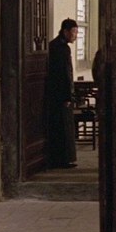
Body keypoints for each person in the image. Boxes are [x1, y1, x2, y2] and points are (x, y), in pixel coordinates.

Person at [44, 18, 79, 169]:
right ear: (65, 32)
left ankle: (61, 159)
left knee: (61, 126)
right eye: (74, 32)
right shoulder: (60, 48)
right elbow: (63, 74)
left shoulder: (55, 46)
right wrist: (67, 96)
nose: (75, 35)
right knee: (62, 127)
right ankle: (62, 159)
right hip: (60, 94)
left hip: (57, 92)